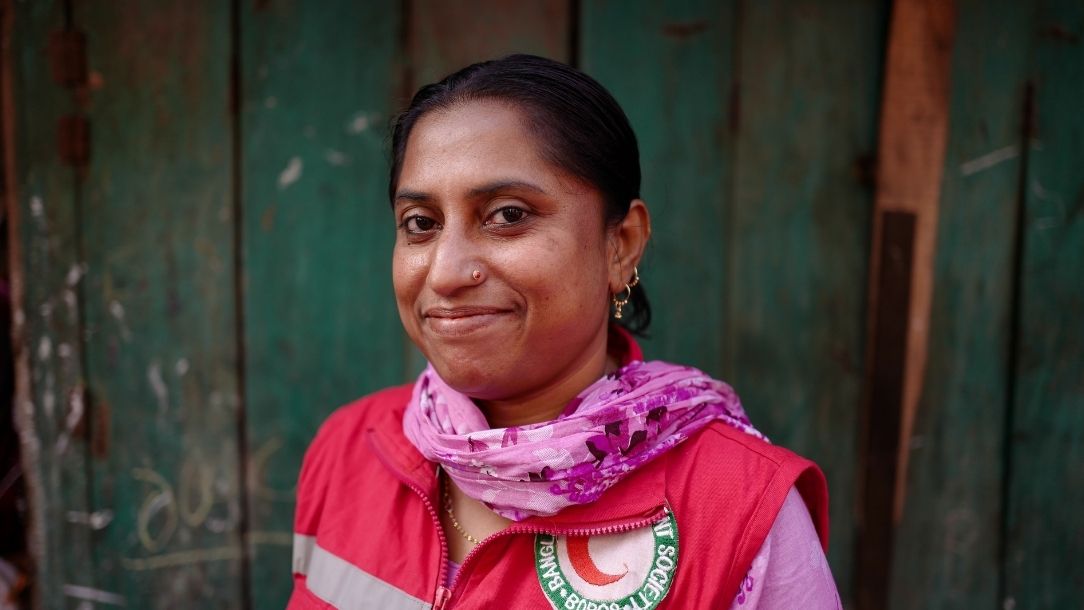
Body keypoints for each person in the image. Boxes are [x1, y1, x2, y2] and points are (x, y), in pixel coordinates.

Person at [288, 54, 841, 610]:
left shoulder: (738, 508)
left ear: (620, 245)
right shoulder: (350, 449)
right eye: (421, 224)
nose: (447, 272)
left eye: (507, 215)